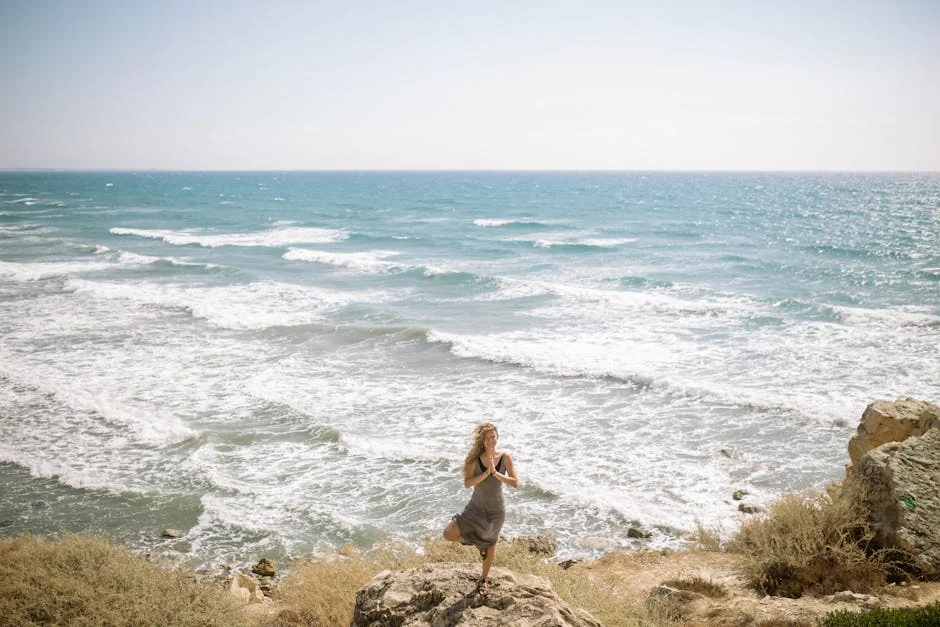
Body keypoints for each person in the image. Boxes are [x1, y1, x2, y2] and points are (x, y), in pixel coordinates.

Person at [442, 422, 518, 598]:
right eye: (487, 438)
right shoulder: (473, 460)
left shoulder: (505, 457)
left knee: (490, 546)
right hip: (475, 508)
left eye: (494, 437)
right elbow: (467, 483)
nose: (491, 440)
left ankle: (483, 580)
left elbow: (515, 482)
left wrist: (496, 473)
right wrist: (485, 473)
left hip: (496, 512)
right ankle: (477, 543)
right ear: (482, 440)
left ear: (497, 437)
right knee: (448, 534)